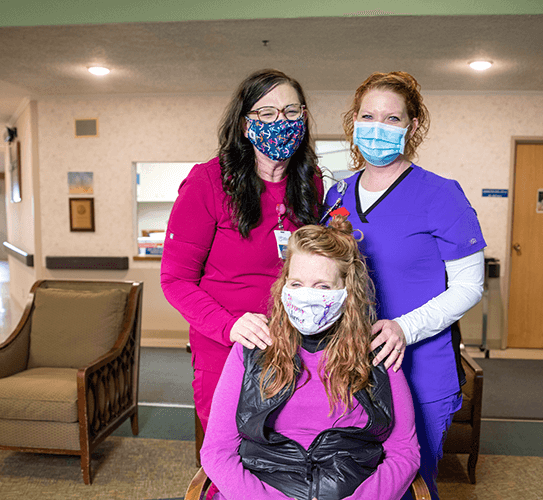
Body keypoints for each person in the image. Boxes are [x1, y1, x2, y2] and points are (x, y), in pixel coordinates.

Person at [323, 71, 485, 499]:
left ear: (412, 127)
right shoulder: (335, 193)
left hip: (420, 368)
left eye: (392, 119)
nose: (378, 127)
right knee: (351, 482)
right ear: (353, 120)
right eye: (368, 115)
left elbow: (469, 286)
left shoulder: (441, 194)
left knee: (411, 483)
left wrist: (404, 328)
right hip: (350, 367)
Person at [201, 216, 420, 500]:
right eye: (296, 283)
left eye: (322, 287)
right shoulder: (253, 346)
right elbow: (217, 451)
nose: (306, 296)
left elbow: (404, 452)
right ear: (283, 286)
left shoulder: (378, 350)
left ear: (346, 292)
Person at [161, 69, 323, 432]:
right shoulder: (207, 182)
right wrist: (229, 325)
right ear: (245, 123)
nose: (281, 122)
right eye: (266, 113)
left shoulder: (311, 183)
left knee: (284, 454)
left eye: (291, 111)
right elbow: (175, 280)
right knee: (230, 455)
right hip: (226, 349)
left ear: (304, 118)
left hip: (294, 346)